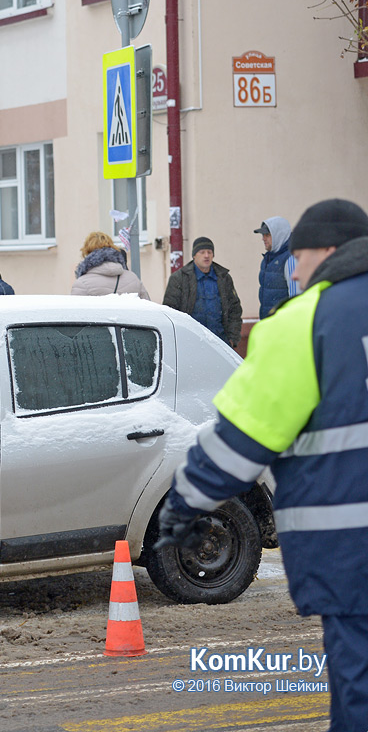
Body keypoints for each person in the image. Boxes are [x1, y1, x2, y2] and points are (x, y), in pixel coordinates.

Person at [156, 198, 368, 732]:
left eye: (300, 256)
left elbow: (240, 443)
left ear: (329, 252)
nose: (292, 268)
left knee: (359, 688)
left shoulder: (303, 323)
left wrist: (183, 504)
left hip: (350, 550)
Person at [162, 237, 243, 349]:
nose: (206, 255)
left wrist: (232, 338)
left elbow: (235, 309)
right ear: (194, 255)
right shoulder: (179, 278)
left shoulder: (223, 278)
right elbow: (170, 311)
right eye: (202, 252)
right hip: (191, 343)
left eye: (209, 252)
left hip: (220, 342)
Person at [70, 231, 150, 298]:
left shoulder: (82, 284)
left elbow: (75, 314)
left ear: (87, 252)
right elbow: (147, 309)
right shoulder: (133, 279)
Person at [255, 216, 300, 318]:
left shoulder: (291, 259)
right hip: (269, 323)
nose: (263, 238)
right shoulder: (268, 259)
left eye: (267, 235)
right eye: (263, 235)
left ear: (278, 235)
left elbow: (295, 298)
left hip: (284, 325)